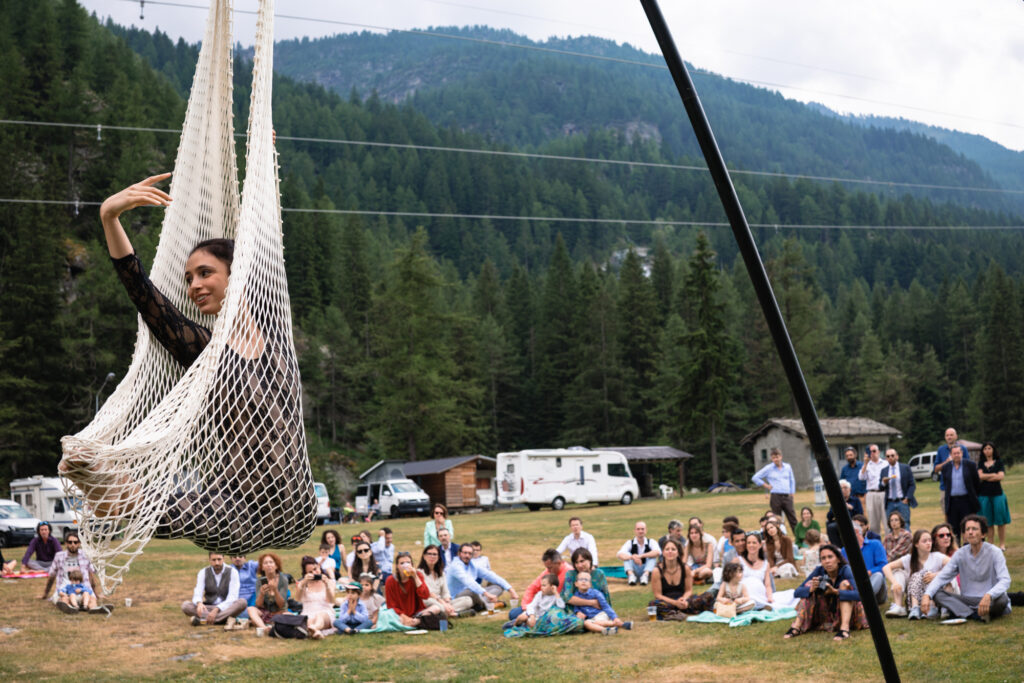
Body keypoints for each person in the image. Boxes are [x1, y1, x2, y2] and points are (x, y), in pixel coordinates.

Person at [60, 174, 316, 549]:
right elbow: (143, 294)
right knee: (153, 509)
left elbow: (266, 245)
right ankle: (109, 487)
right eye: (189, 278)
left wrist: (265, 168)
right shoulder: (205, 352)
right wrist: (108, 217)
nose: (193, 285)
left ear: (238, 273)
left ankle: (112, 490)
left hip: (297, 505)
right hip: (239, 508)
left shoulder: (275, 329)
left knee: (159, 508)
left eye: (205, 273)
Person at [921, 515, 1011, 622]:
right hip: (968, 600)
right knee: (937, 594)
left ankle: (969, 612)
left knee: (1002, 599)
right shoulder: (960, 554)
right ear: (964, 534)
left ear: (983, 534)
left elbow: (1005, 580)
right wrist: (927, 595)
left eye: (974, 529)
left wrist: (989, 595)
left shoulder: (995, 552)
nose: (970, 532)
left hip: (990, 599)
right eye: (967, 529)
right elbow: (942, 577)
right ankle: (973, 615)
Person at [783, 544, 869, 641]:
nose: (827, 561)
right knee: (809, 585)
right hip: (827, 614)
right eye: (823, 558)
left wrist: (836, 592)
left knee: (845, 584)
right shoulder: (819, 571)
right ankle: (796, 627)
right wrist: (811, 589)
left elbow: (861, 595)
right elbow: (797, 592)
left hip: (849, 613)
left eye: (830, 557)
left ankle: (844, 629)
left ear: (838, 559)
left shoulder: (846, 570)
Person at [882, 529, 949, 619]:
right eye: (924, 541)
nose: (928, 543)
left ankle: (932, 608)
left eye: (930, 540)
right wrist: (894, 582)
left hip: (934, 595)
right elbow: (886, 567)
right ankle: (911, 608)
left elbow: (953, 566)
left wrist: (935, 575)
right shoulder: (909, 558)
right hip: (915, 595)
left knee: (927, 573)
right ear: (916, 544)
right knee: (900, 572)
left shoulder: (937, 556)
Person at [648, 538, 716, 620]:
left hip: (684, 599)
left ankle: (675, 613)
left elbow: (688, 590)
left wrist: (684, 600)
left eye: (673, 549)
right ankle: (679, 612)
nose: (670, 551)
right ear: (663, 552)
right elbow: (658, 595)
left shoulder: (685, 568)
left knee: (708, 596)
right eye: (667, 549)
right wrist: (675, 603)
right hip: (668, 601)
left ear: (678, 552)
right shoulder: (657, 571)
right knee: (654, 604)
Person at [40, 532, 104, 611]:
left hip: (83, 589)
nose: (73, 544)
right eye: (70, 542)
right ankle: (71, 608)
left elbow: (91, 575)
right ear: (66, 543)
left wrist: (96, 594)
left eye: (75, 542)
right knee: (63, 599)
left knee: (92, 599)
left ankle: (94, 609)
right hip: (65, 589)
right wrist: (45, 594)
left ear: (79, 543)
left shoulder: (85, 555)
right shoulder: (59, 556)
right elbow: (52, 576)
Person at [447, 543, 518, 613]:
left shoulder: (472, 564)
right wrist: (487, 594)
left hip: (476, 595)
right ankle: (487, 605)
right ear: (459, 553)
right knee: (471, 591)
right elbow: (469, 582)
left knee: (498, 586)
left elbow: (490, 575)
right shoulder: (456, 566)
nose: (467, 556)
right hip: (458, 596)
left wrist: (511, 590)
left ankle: (479, 605)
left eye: (469, 553)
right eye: (465, 553)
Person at [181, 551, 246, 627]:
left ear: (223, 559)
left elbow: (232, 597)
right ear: (209, 560)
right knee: (185, 606)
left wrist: (217, 609)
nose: (217, 563)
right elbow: (198, 591)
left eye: (219, 559)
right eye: (214, 560)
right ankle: (221, 619)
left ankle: (204, 620)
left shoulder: (232, 572)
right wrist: (199, 603)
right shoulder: (203, 572)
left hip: (226, 608)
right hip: (208, 607)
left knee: (242, 602)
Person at [385, 551, 445, 628]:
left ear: (412, 565)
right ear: (397, 566)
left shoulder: (418, 575)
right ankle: (417, 622)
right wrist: (404, 617)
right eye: (402, 563)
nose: (405, 565)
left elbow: (425, 595)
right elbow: (391, 605)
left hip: (417, 613)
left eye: (408, 562)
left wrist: (415, 577)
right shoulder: (390, 580)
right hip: (399, 614)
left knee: (436, 608)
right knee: (389, 615)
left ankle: (415, 622)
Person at [508, 548, 570, 622]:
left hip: (556, 608)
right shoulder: (547, 572)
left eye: (550, 568)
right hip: (540, 606)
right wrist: (526, 608)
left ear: (559, 563)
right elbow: (532, 588)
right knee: (513, 614)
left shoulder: (569, 572)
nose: (548, 571)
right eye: (547, 568)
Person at [939, 444, 980, 545]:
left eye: (958, 453)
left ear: (962, 453)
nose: (956, 455)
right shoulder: (945, 467)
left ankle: (968, 549)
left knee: (967, 527)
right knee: (953, 528)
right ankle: (956, 550)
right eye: (954, 453)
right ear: (950, 455)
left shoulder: (970, 465)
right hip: (952, 502)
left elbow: (976, 483)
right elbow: (946, 483)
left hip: (966, 501)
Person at [840, 522, 888, 605]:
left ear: (856, 532)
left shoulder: (875, 544)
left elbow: (883, 566)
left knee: (878, 575)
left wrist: (869, 572)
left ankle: (862, 599)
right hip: (855, 585)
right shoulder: (844, 550)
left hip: (876, 587)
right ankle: (861, 599)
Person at [419, 545, 471, 617]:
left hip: (442, 601)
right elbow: (428, 593)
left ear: (438, 557)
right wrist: (442, 603)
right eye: (429, 554)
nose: (432, 556)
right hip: (429, 600)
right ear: (424, 556)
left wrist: (447, 601)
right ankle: (452, 613)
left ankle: (447, 612)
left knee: (468, 600)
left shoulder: (441, 573)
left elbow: (445, 591)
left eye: (435, 554)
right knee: (431, 602)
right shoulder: (419, 573)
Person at [752, 447, 798, 529]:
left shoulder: (787, 467)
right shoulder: (768, 468)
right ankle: (780, 538)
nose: (776, 459)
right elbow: (755, 477)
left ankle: (799, 539)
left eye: (777, 457)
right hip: (775, 496)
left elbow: (792, 480)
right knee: (776, 519)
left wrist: (792, 492)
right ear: (771, 459)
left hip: (787, 496)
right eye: (773, 458)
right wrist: (766, 485)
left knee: (792, 518)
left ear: (781, 456)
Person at [977, 442, 1010, 550]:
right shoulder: (981, 463)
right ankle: (990, 545)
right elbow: (980, 476)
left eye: (989, 448)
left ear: (993, 450)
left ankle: (1002, 544)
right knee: (988, 522)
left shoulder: (999, 462)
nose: (987, 450)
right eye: (985, 448)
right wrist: (993, 475)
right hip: (984, 496)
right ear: (983, 451)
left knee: (1000, 521)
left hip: (998, 495)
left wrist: (987, 477)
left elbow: (1000, 477)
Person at [246, 552, 288, 635]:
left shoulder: (283, 580)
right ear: (262, 567)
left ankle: (267, 625)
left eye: (271, 562)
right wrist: (261, 594)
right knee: (250, 609)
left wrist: (275, 590)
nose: (269, 565)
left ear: (276, 565)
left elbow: (281, 605)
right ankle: (265, 628)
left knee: (289, 615)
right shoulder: (259, 581)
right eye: (265, 563)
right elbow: (258, 605)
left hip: (279, 612)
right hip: (265, 612)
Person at [295, 555, 337, 639]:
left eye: (315, 569)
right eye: (310, 572)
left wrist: (327, 585)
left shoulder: (329, 582)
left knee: (320, 616)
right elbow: (298, 599)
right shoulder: (303, 584)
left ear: (319, 566)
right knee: (309, 620)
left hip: (325, 612)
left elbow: (331, 601)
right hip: (308, 613)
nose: (314, 573)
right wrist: (303, 582)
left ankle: (314, 628)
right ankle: (315, 632)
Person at [934, 427, 971, 512]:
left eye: (951, 435)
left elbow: (968, 467)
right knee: (947, 514)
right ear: (945, 437)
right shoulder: (941, 450)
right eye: (947, 435)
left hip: (962, 488)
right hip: (945, 488)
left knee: (964, 514)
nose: (949, 437)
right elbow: (936, 469)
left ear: (956, 436)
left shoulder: (963, 449)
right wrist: (947, 462)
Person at [881, 447, 917, 527]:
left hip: (902, 501)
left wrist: (907, 498)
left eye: (892, 455)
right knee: (891, 526)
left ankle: (907, 539)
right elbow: (880, 487)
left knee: (905, 524)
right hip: (890, 502)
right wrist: (884, 483)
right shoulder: (884, 470)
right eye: (888, 456)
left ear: (897, 456)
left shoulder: (905, 468)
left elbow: (912, 484)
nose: (890, 458)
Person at [616, 521, 660, 586]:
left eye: (642, 529)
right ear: (635, 531)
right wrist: (632, 557)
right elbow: (619, 554)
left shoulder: (651, 541)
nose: (640, 531)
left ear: (646, 530)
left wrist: (641, 556)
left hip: (647, 569)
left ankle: (645, 576)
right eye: (638, 529)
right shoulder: (629, 542)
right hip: (635, 570)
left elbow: (657, 552)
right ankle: (631, 576)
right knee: (627, 555)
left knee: (652, 556)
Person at [738, 532, 774, 609]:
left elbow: (767, 585)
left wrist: (770, 597)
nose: (751, 545)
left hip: (759, 595)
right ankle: (749, 606)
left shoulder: (765, 564)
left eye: (754, 543)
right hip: (743, 595)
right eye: (749, 543)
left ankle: (758, 605)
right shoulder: (739, 561)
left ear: (760, 545)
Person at [858, 444, 888, 535]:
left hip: (884, 493)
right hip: (871, 493)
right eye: (870, 452)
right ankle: (876, 544)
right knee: (873, 522)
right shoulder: (867, 465)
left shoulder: (885, 463)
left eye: (874, 451)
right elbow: (861, 477)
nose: (872, 453)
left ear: (878, 452)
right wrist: (865, 463)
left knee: (886, 520)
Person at [826, 479, 863, 547]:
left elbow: (860, 514)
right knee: (830, 526)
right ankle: (837, 547)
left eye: (845, 488)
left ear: (850, 490)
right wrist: (835, 509)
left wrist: (851, 508)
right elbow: (829, 517)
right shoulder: (835, 501)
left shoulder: (855, 500)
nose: (843, 490)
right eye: (841, 488)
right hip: (839, 522)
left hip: (853, 522)